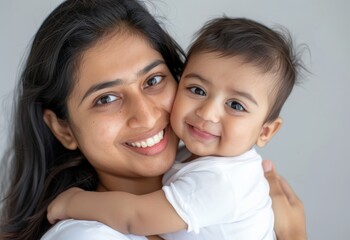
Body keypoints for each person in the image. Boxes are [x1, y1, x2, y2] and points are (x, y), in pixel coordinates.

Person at [0, 0, 306, 239]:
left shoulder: (215, 176)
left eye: (153, 80)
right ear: (62, 127)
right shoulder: (86, 234)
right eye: (106, 98)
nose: (146, 115)